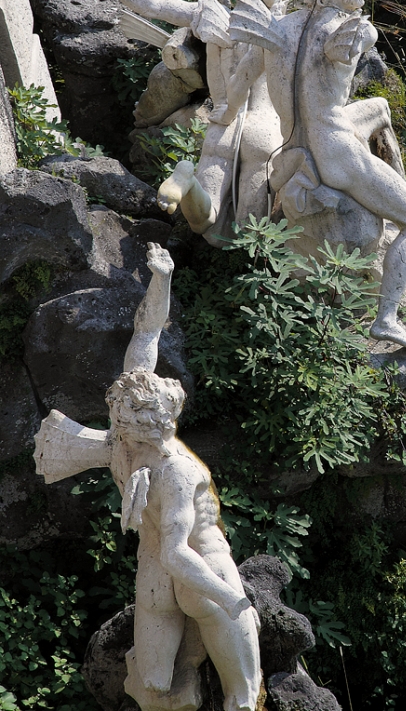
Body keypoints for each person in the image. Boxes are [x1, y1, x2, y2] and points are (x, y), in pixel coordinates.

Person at [35, 244, 261, 711]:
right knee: (154, 686)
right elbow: (147, 330)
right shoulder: (127, 438)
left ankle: (214, 670)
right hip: (160, 562)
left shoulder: (166, 463)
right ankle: (187, 681)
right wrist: (162, 279)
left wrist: (233, 598)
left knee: (240, 695)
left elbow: (180, 553)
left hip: (199, 557)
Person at [230, 0, 406, 351]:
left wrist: (223, 116)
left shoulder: (278, 27)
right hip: (338, 157)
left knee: (377, 108)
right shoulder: (358, 31)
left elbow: (241, 82)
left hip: (291, 151)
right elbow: (335, 53)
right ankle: (387, 319)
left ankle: (397, 180)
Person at [90, 0, 294, 243]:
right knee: (247, 235)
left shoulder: (213, 14)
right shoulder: (287, 26)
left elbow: (154, 5)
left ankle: (186, 179)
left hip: (222, 125)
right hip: (263, 132)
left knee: (206, 223)